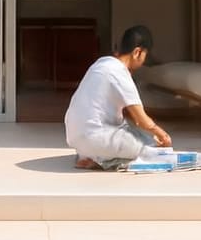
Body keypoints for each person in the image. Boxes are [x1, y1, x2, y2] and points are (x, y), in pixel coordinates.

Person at [64, 25, 173, 170]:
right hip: (96, 138)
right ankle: (103, 160)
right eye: (144, 56)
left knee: (136, 134)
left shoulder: (101, 64)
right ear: (137, 52)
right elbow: (142, 121)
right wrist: (163, 135)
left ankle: (91, 156)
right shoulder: (120, 73)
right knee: (152, 148)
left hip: (75, 137)